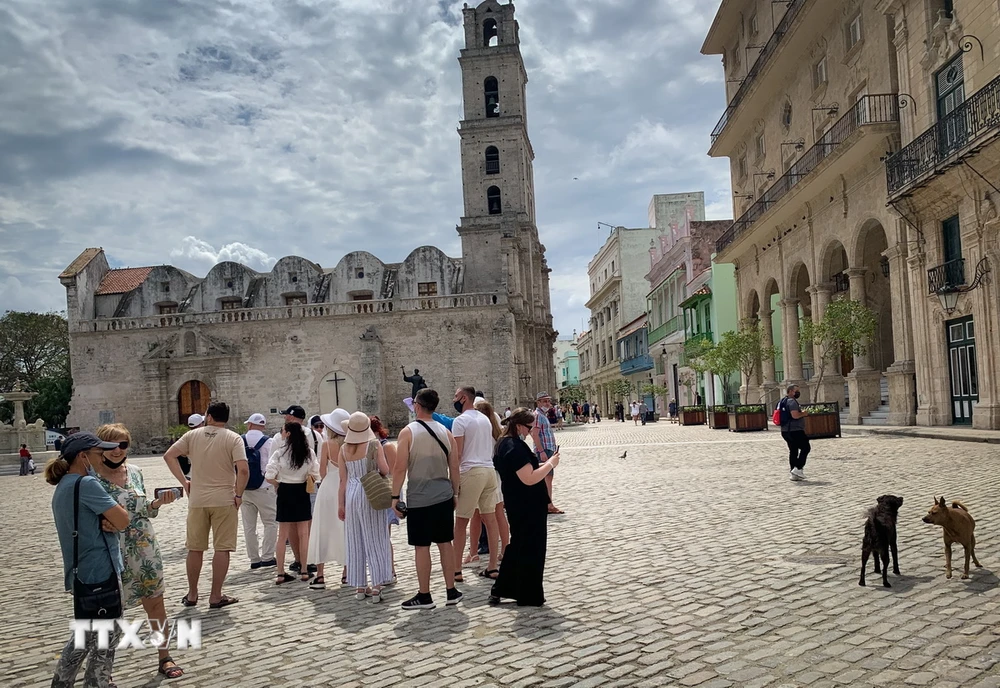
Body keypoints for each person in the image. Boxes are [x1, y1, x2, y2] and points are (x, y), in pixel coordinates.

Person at [93, 423, 183, 680]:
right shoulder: (91, 478)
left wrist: (157, 502)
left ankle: (164, 656)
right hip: (112, 549)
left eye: (123, 444)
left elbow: (142, 508)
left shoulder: (134, 471)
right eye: (110, 445)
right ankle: (104, 670)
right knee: (110, 611)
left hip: (144, 547)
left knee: (155, 602)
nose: (117, 450)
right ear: (100, 447)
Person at [46, 432, 130, 688]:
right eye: (97, 454)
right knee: (105, 640)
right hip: (101, 571)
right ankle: (96, 683)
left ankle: (63, 682)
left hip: (81, 572)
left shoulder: (65, 485)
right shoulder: (87, 485)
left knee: (84, 636)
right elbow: (123, 520)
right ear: (83, 457)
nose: (102, 458)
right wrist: (114, 521)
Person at [164, 401, 247, 609]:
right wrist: (238, 494)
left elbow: (169, 455)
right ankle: (215, 595)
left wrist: (184, 482)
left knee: (195, 548)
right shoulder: (233, 438)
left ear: (208, 416)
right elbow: (243, 470)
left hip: (198, 499)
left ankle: (192, 594)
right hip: (224, 499)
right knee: (222, 548)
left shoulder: (192, 436)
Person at [391, 388, 463, 609]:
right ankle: (451, 590)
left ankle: (425, 594)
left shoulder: (408, 432)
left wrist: (395, 497)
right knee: (445, 543)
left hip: (419, 497)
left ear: (417, 406)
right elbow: (454, 465)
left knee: (421, 546)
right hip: (443, 494)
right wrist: (456, 492)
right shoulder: (445, 431)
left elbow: (400, 467)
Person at [489, 409, 559, 607]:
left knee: (519, 545)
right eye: (528, 428)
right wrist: (550, 464)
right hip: (526, 504)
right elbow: (528, 478)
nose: (530, 432)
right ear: (518, 426)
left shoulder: (506, 443)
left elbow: (522, 468)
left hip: (519, 502)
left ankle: (503, 588)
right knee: (531, 548)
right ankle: (528, 593)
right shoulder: (513, 446)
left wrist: (540, 463)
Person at [339, 412, 393, 603]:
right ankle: (377, 586)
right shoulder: (373, 444)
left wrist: (341, 504)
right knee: (376, 537)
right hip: (369, 491)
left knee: (355, 539)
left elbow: (343, 480)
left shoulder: (344, 448)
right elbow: (385, 470)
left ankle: (360, 586)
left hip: (351, 493)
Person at [451, 386, 502, 581]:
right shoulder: (485, 420)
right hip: (488, 470)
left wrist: (454, 482)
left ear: (463, 398)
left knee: (461, 521)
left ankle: (456, 569)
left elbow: (458, 454)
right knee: (490, 519)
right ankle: (491, 566)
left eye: (456, 396)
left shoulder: (460, 421)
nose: (454, 399)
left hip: (471, 471)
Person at [272, 405, 324, 576]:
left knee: (283, 534)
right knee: (304, 532)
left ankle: (281, 572)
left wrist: (277, 482)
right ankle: (304, 568)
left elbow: (268, 473)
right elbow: (317, 472)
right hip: (303, 489)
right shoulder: (310, 449)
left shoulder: (279, 450)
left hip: (285, 490)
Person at [308, 408, 350, 590]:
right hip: (346, 486)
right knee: (346, 528)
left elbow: (322, 471)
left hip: (328, 488)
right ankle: (347, 573)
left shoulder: (326, 444)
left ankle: (320, 575)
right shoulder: (350, 444)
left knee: (323, 528)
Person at [240, 413, 277, 570]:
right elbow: (274, 464)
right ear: (263, 426)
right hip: (264, 487)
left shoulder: (239, 441)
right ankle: (268, 557)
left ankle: (254, 559)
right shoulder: (269, 442)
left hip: (244, 488)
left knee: (249, 526)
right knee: (270, 523)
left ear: (249, 425)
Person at [475, 398, 510, 558]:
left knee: (484, 517)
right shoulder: (497, 433)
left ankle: (477, 552)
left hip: (482, 474)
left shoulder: (479, 432)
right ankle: (505, 547)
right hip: (496, 475)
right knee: (499, 514)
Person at [370, 414, 398, 585]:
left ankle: (390, 571)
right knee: (379, 534)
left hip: (386, 491)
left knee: (384, 534)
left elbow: (395, 471)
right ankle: (384, 570)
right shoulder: (372, 446)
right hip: (376, 492)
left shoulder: (386, 446)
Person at [531, 392, 563, 515]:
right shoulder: (538, 415)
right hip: (544, 450)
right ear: (538, 402)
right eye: (544, 401)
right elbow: (535, 434)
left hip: (549, 449)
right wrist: (541, 451)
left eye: (548, 401)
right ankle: (548, 504)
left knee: (548, 477)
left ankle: (548, 503)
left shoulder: (543, 415)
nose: (547, 403)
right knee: (545, 478)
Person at [779, 384, 811, 481]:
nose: (798, 393)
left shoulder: (782, 401)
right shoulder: (792, 402)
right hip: (795, 430)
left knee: (793, 451)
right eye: (796, 391)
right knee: (806, 447)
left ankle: (793, 473)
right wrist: (804, 413)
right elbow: (795, 415)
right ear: (790, 391)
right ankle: (798, 468)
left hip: (785, 430)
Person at [176, 413, 204, 479]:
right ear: (200, 424)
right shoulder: (204, 438)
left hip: (190, 475)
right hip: (200, 476)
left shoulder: (186, 438)